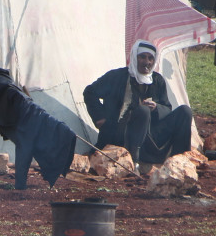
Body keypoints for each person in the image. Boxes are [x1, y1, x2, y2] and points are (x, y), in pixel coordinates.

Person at [82, 40, 195, 168]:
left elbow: (167, 108)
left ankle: (178, 162)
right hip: (123, 134)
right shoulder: (117, 76)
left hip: (150, 135)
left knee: (185, 111)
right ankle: (134, 162)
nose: (147, 62)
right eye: (142, 57)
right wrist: (100, 118)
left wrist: (156, 108)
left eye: (150, 58)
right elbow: (90, 92)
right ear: (134, 58)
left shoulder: (157, 80)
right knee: (143, 111)